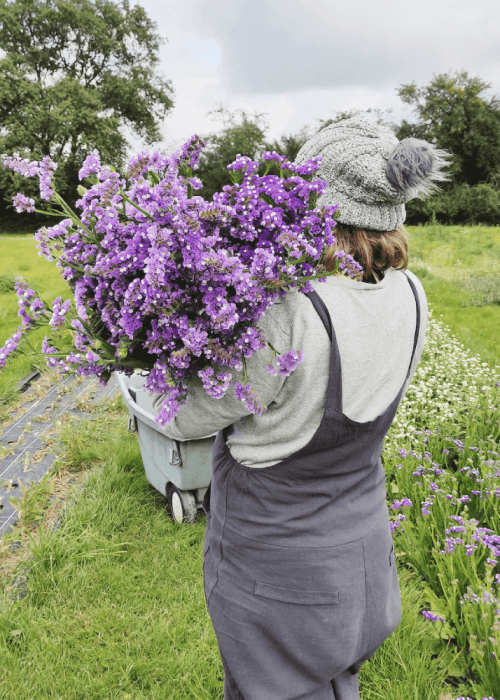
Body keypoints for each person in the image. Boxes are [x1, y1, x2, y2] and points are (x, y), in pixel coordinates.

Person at [152, 115, 452, 700]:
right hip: (361, 558)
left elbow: (186, 417)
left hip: (280, 579)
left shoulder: (289, 311)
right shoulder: (413, 295)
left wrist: (164, 358)